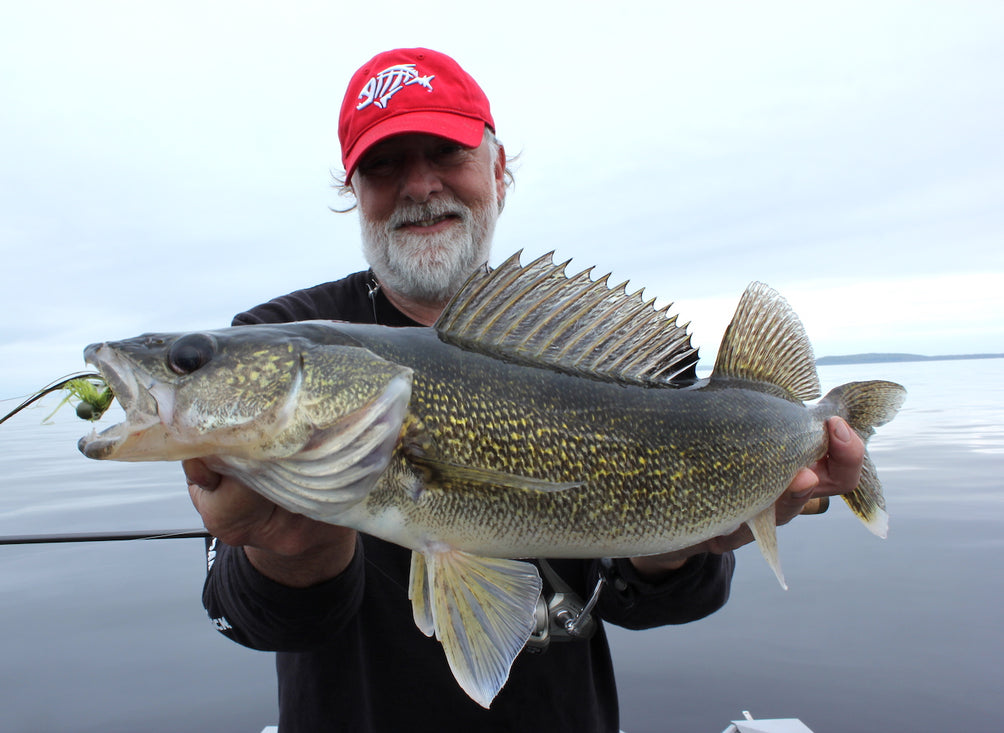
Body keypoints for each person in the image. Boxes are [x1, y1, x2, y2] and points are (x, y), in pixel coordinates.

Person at [183, 48, 866, 732]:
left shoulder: (589, 345)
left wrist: (676, 546)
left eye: (446, 152)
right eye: (385, 164)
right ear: (352, 190)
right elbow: (246, 615)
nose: (420, 184)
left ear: (499, 171)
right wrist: (289, 545)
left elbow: (659, 602)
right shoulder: (274, 335)